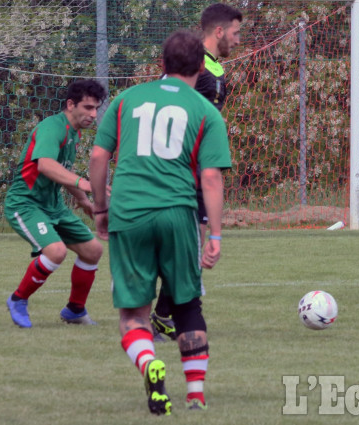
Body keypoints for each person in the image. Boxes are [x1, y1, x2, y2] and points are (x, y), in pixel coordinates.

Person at [89, 29, 232, 414]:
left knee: (134, 315)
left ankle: (149, 362)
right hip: (177, 212)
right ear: (202, 66)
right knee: (187, 304)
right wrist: (215, 233)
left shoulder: (126, 99)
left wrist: (101, 208)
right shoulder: (206, 111)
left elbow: (99, 157)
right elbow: (212, 177)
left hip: (129, 213)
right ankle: (197, 395)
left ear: (160, 65)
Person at [150, 2, 242, 342]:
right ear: (218, 31)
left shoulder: (212, 69)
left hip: (196, 171)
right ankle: (152, 316)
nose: (238, 39)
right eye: (235, 32)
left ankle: (161, 317)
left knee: (189, 249)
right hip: (179, 175)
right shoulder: (193, 67)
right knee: (184, 249)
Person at [4, 79, 107, 328]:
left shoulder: (73, 133)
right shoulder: (53, 128)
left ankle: (75, 310)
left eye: (96, 108)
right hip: (25, 203)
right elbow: (46, 165)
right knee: (56, 252)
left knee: (93, 250)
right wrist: (85, 185)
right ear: (71, 104)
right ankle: (18, 299)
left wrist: (83, 201)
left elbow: (62, 170)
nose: (93, 114)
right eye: (88, 107)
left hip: (53, 205)